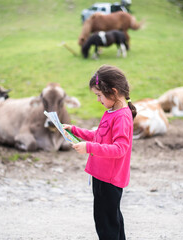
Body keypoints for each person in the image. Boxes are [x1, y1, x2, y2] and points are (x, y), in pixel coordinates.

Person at [63, 64, 137, 240]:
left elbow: (120, 149)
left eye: (99, 95)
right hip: (101, 175)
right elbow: (101, 135)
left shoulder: (122, 117)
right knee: (112, 219)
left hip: (109, 179)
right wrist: (75, 130)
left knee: (106, 223)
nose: (98, 100)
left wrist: (88, 147)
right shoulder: (111, 111)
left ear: (113, 91)